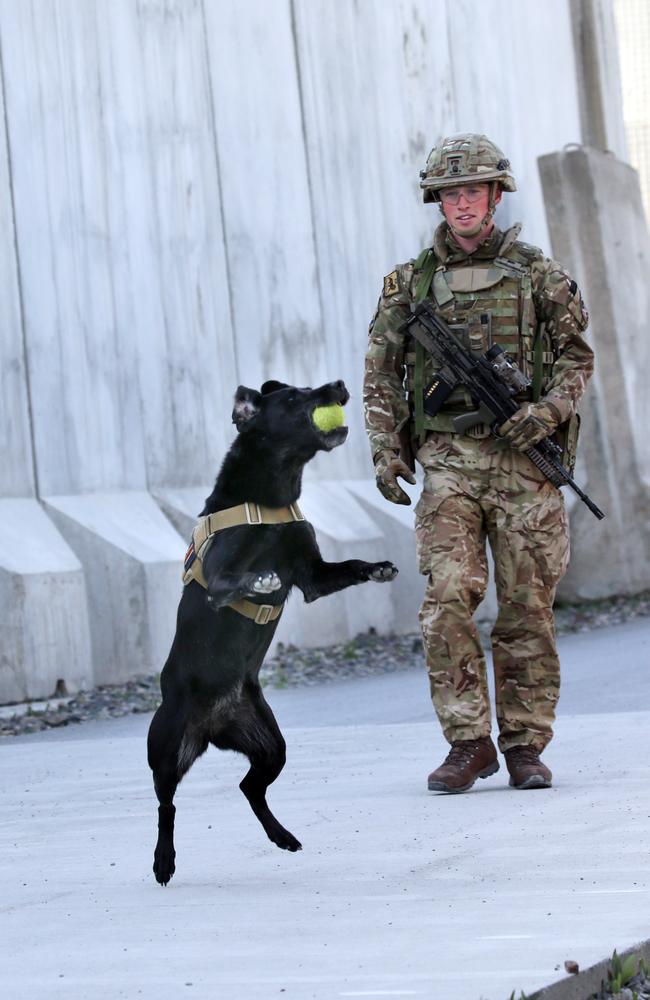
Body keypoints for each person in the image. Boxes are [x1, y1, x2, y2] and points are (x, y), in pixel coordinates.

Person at [363, 133, 593, 793]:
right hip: (449, 463)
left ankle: (524, 745)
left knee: (527, 607)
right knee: (446, 599)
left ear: (494, 195)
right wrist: (385, 446)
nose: (462, 204)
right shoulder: (410, 284)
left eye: (474, 191)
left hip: (524, 464)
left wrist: (543, 414)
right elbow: (380, 370)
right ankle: (469, 742)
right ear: (438, 201)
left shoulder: (536, 273)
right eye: (451, 194)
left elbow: (578, 357)